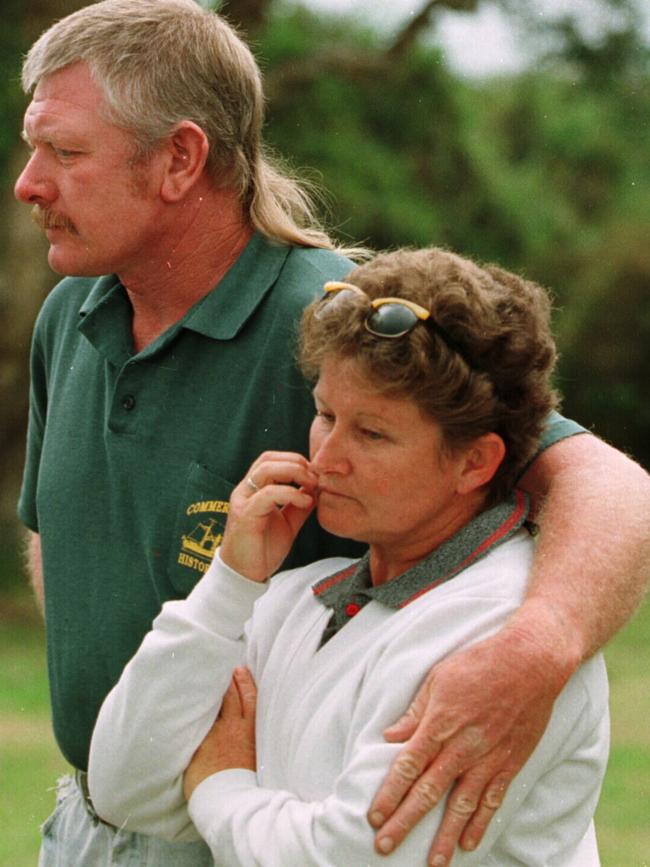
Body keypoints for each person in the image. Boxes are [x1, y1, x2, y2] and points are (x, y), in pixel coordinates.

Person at [13, 0, 649, 865]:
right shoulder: (69, 314)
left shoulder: (340, 325)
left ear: (180, 160)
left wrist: (536, 650)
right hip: (93, 816)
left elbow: (609, 486)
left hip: (233, 833)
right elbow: (63, 535)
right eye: (32, 145)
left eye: (66, 152)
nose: (29, 182)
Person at [89, 247, 609, 866]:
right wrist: (228, 584)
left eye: (371, 434)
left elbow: (354, 858)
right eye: (324, 414)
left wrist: (221, 785)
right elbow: (123, 787)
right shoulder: (295, 598)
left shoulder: (494, 632)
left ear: (477, 461)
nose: (327, 456)